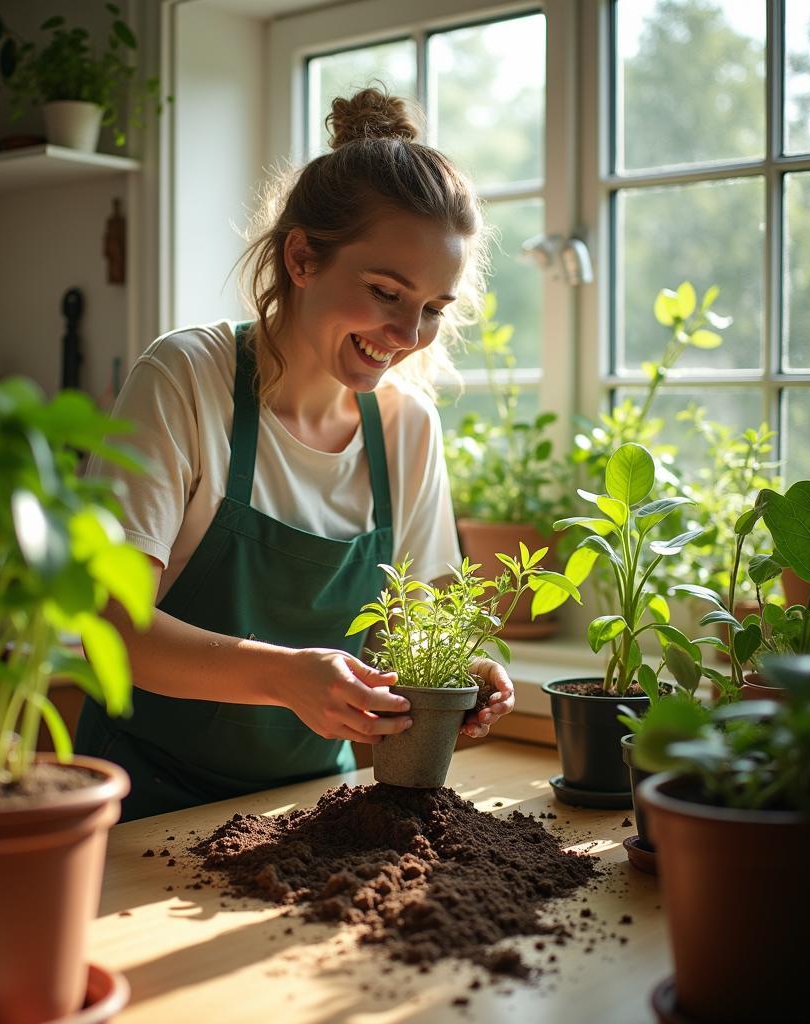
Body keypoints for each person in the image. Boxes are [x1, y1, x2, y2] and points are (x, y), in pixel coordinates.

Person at [75, 87, 516, 822]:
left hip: (309, 812)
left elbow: (405, 632)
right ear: (303, 257)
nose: (409, 334)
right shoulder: (186, 378)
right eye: (385, 291)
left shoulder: (406, 427)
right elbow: (109, 631)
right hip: (144, 804)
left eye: (435, 308)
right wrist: (288, 677)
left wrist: (459, 672)